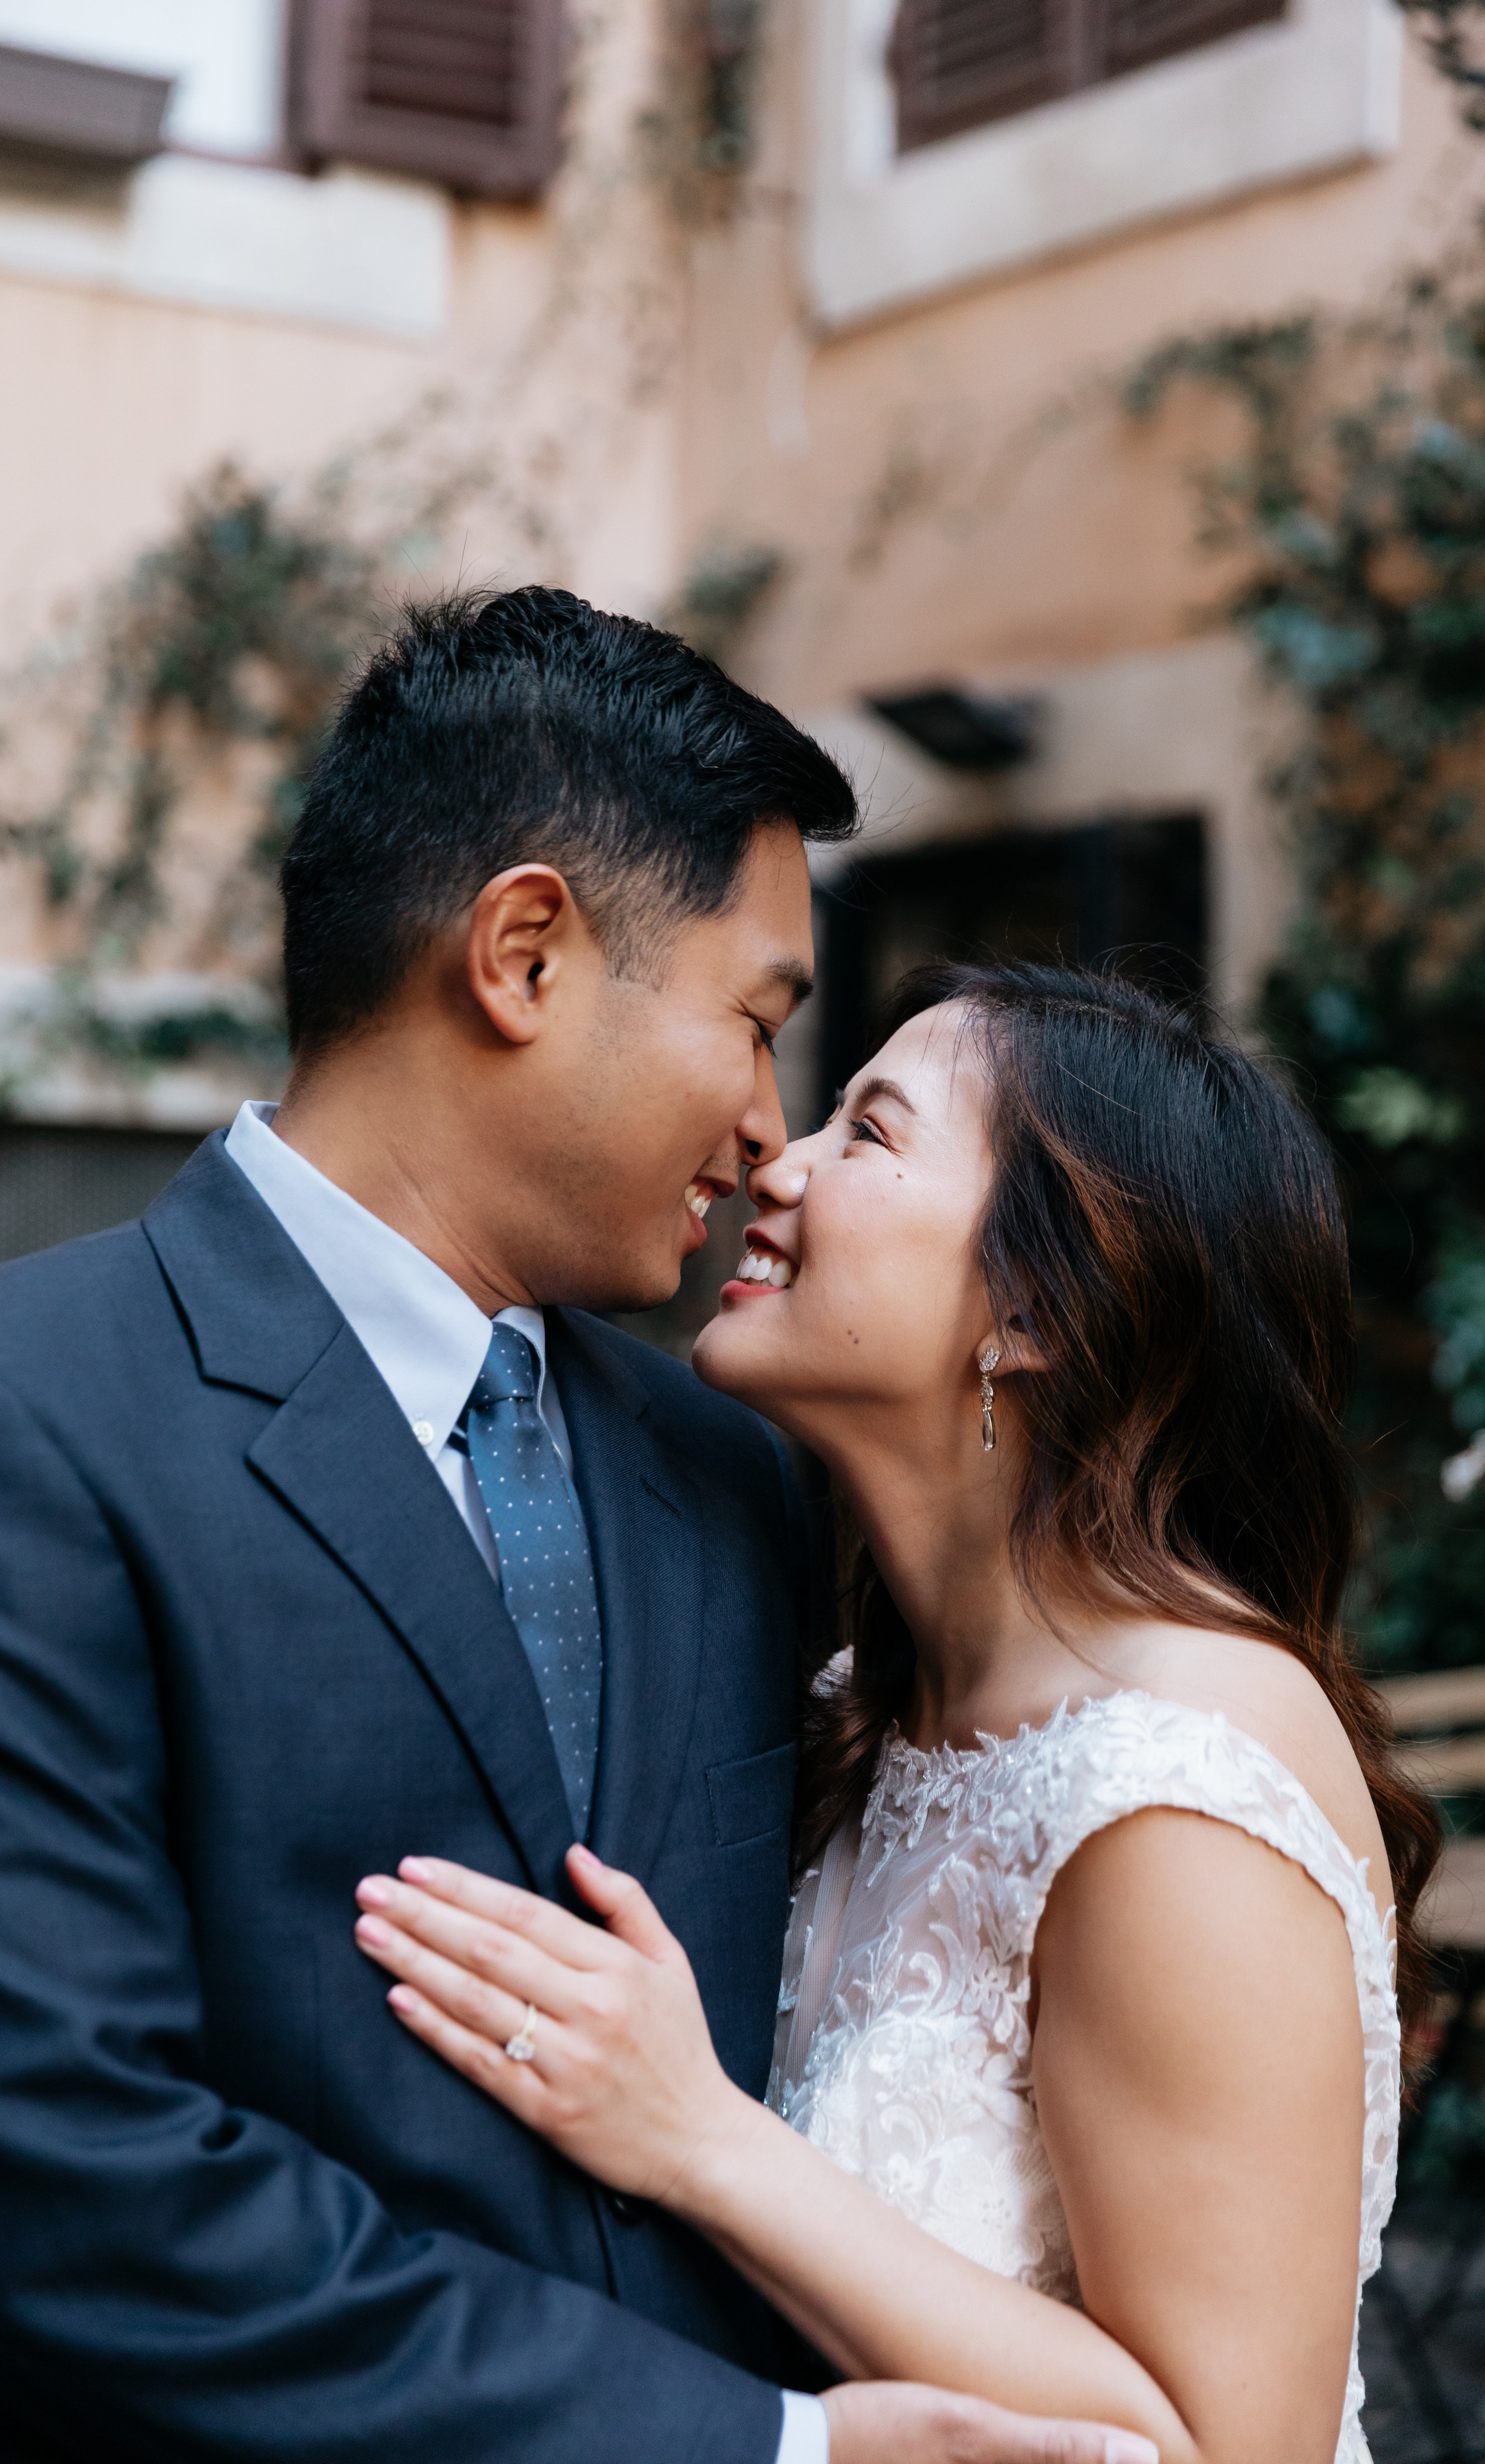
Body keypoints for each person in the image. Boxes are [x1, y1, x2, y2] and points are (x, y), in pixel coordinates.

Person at [0, 595, 1146, 2464]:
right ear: (525, 953)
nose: (771, 1134)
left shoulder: (732, 1459)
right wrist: (770, 2456)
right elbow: (64, 2194)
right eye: (757, 1022)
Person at [348, 961, 1444, 2464]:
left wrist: (693, 2139)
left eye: (867, 1133)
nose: (773, 1161)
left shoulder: (1176, 1786)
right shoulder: (862, 1695)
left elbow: (1234, 2444)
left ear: (1036, 1303)